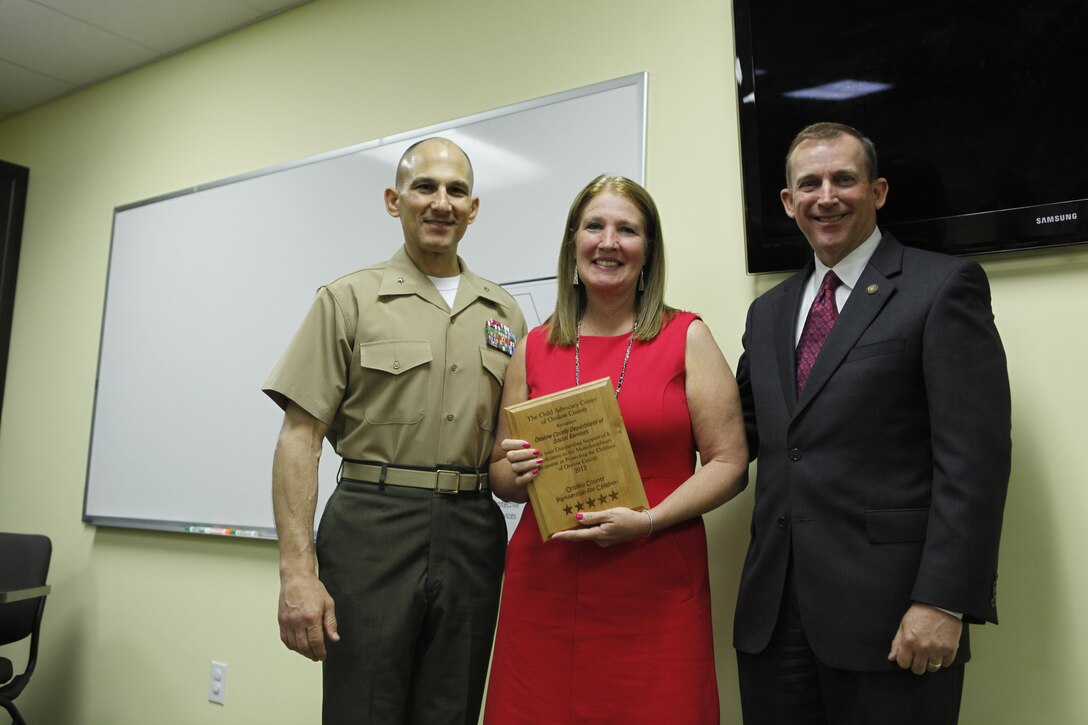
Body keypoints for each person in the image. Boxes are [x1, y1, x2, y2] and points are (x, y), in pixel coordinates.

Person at [733, 122, 1011, 724]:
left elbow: (974, 460)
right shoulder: (768, 312)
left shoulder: (941, 288)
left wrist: (943, 600)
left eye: (844, 179)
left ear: (878, 191)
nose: (825, 195)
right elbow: (739, 431)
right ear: (788, 201)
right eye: (809, 183)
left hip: (893, 620)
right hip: (774, 621)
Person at [262, 137, 527, 724]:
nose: (441, 203)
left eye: (456, 190)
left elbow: (510, 448)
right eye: (425, 187)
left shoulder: (505, 314)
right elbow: (298, 439)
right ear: (394, 199)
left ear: (474, 207)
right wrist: (297, 572)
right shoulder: (348, 299)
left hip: (472, 531)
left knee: (451, 710)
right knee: (366, 708)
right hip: (371, 528)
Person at [483, 174, 749, 724]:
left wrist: (649, 519)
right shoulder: (532, 346)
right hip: (546, 586)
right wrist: (515, 469)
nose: (608, 241)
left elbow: (730, 463)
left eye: (627, 230)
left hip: (654, 579)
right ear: (572, 243)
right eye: (595, 226)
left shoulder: (687, 337)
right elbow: (500, 476)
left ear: (647, 251)